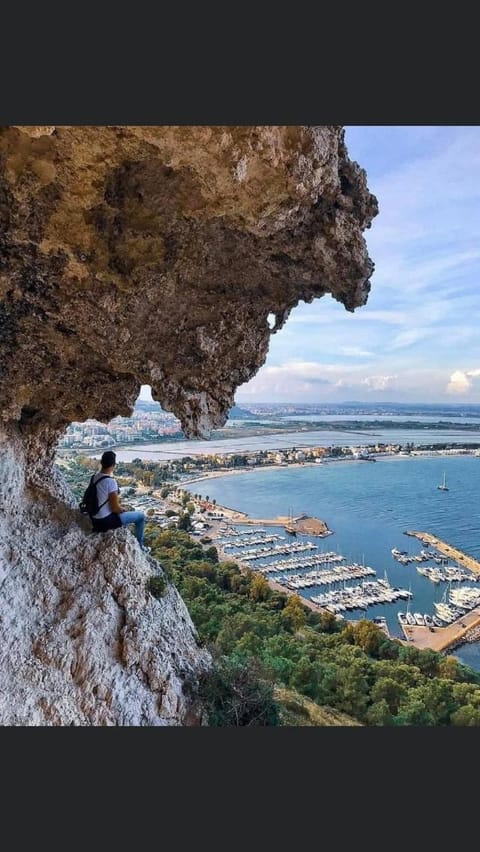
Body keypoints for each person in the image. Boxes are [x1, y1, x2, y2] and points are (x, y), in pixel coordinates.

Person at [91, 450, 150, 551]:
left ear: (101, 463)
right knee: (140, 516)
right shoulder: (111, 482)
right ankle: (140, 546)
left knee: (124, 516)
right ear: (114, 465)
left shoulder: (94, 478)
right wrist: (123, 509)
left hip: (94, 519)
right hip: (105, 522)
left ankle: (123, 535)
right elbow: (115, 508)